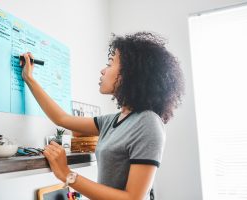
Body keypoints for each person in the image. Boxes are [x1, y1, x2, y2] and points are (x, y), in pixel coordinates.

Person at [21, 32, 184, 200]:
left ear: (129, 73)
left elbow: (132, 198)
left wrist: (66, 174)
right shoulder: (112, 121)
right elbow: (61, 118)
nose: (102, 70)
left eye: (110, 64)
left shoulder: (148, 122)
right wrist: (29, 78)